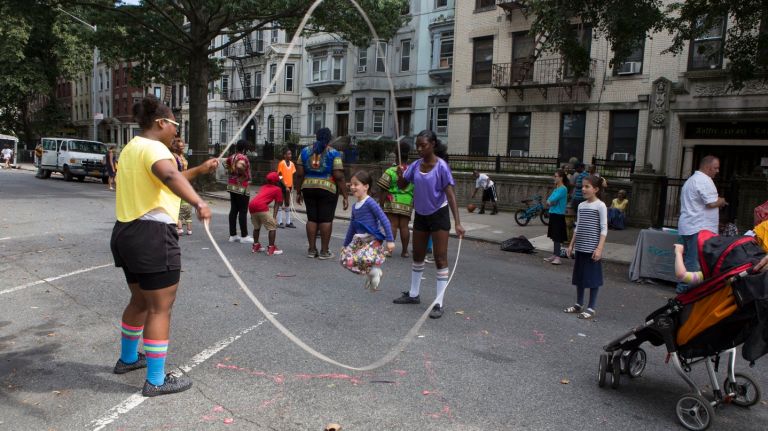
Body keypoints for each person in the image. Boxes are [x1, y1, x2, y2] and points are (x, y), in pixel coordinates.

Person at [110, 95, 218, 397]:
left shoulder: (132, 147)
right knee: (161, 308)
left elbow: (165, 178)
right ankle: (156, 380)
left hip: (126, 232)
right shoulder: (157, 148)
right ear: (161, 123)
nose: (177, 131)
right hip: (152, 235)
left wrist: (199, 170)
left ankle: (129, 359)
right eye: (174, 125)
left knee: (140, 302)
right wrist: (198, 201)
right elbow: (169, 175)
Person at [392, 130, 465, 319]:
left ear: (432, 144)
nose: (419, 149)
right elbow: (401, 185)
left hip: (439, 215)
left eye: (423, 145)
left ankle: (439, 303)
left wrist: (457, 222)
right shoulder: (415, 166)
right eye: (417, 145)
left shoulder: (442, 167)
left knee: (440, 258)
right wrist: (400, 175)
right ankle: (414, 294)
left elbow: (450, 195)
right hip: (421, 215)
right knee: (417, 255)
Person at [676, 156, 728, 293]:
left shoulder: (692, 180)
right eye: (715, 168)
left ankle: (685, 291)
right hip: (699, 228)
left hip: (689, 226)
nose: (717, 171)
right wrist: (721, 201)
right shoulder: (704, 180)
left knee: (689, 260)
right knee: (694, 263)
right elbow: (711, 203)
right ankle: (685, 293)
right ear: (707, 167)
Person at [295, 127, 349, 259]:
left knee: (312, 218)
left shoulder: (305, 151)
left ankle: (311, 250)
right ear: (329, 138)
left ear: (316, 136)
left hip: (308, 188)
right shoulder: (334, 153)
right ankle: (324, 251)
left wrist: (298, 191)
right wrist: (345, 196)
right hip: (328, 189)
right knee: (326, 219)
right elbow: (338, 176)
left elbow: (300, 174)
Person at [341, 171, 395, 291]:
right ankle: (371, 273)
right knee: (346, 259)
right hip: (360, 240)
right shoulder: (355, 206)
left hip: (372, 239)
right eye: (351, 184)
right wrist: (345, 244)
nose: (353, 187)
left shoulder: (370, 202)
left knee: (361, 259)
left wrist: (390, 240)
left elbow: (384, 220)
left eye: (356, 184)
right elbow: (352, 227)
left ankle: (374, 272)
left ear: (366, 187)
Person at [563, 175, 607, 320]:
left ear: (596, 189)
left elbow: (603, 229)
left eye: (587, 186)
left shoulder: (600, 206)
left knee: (593, 279)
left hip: (592, 249)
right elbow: (578, 226)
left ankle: (591, 307)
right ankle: (578, 304)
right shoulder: (581, 206)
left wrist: (599, 248)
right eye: (582, 186)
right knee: (579, 277)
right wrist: (571, 245)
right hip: (581, 248)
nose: (583, 189)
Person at [377, 141, 414, 258]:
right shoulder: (412, 171)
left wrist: (381, 204)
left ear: (396, 155)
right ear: (407, 155)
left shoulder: (390, 171)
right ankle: (405, 251)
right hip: (407, 201)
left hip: (392, 200)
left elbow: (383, 189)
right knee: (404, 226)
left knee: (392, 225)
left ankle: (389, 250)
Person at [248, 171, 284, 256]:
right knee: (272, 227)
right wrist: (274, 217)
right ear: (276, 181)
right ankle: (271, 248)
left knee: (256, 227)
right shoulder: (277, 189)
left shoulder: (263, 187)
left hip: (251, 205)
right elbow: (277, 204)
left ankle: (256, 246)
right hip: (261, 207)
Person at [225, 140, 253, 243]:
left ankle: (232, 235)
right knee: (243, 210)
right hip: (241, 186)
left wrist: (232, 172)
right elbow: (240, 166)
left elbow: (226, 164)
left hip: (232, 185)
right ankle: (244, 236)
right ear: (245, 148)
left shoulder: (232, 156)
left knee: (234, 210)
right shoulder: (242, 157)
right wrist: (244, 175)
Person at [544, 169, 569, 265]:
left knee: (557, 236)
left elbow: (552, 200)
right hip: (553, 214)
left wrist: (551, 202)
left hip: (558, 215)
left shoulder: (563, 189)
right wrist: (551, 202)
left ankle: (558, 257)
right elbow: (549, 200)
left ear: (561, 178)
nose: (554, 178)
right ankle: (555, 254)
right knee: (554, 236)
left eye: (556, 176)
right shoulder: (556, 189)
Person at [171, 138, 193, 235]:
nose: (183, 147)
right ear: (175, 147)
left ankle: (180, 222)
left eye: (183, 145)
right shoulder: (173, 156)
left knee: (183, 203)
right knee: (176, 203)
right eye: (180, 146)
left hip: (184, 181)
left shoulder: (182, 156)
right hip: (177, 182)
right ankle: (177, 224)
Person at [276, 148, 296, 229]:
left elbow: (293, 175)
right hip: (282, 185)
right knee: (280, 202)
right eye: (288, 154)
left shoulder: (292, 164)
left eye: (290, 154)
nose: (290, 155)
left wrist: (292, 186)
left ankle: (288, 222)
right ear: (284, 155)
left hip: (289, 186)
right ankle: (280, 222)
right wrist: (285, 186)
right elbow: (280, 176)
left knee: (287, 203)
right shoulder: (281, 163)